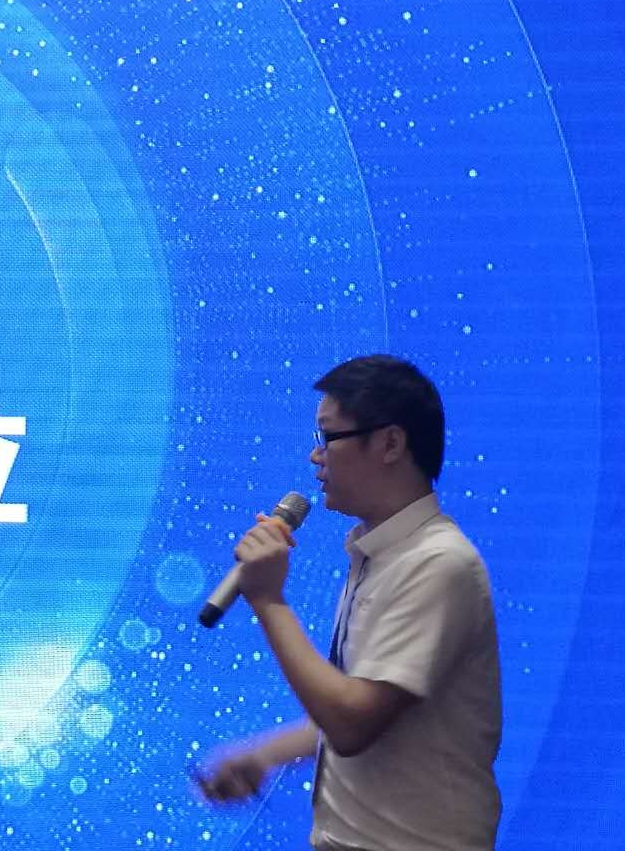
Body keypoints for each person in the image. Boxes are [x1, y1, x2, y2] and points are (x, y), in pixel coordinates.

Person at [197, 354, 501, 851]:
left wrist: (269, 600)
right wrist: (265, 755)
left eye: (328, 437)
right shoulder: (381, 553)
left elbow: (353, 723)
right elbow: (372, 706)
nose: (315, 456)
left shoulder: (437, 563)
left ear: (391, 444)